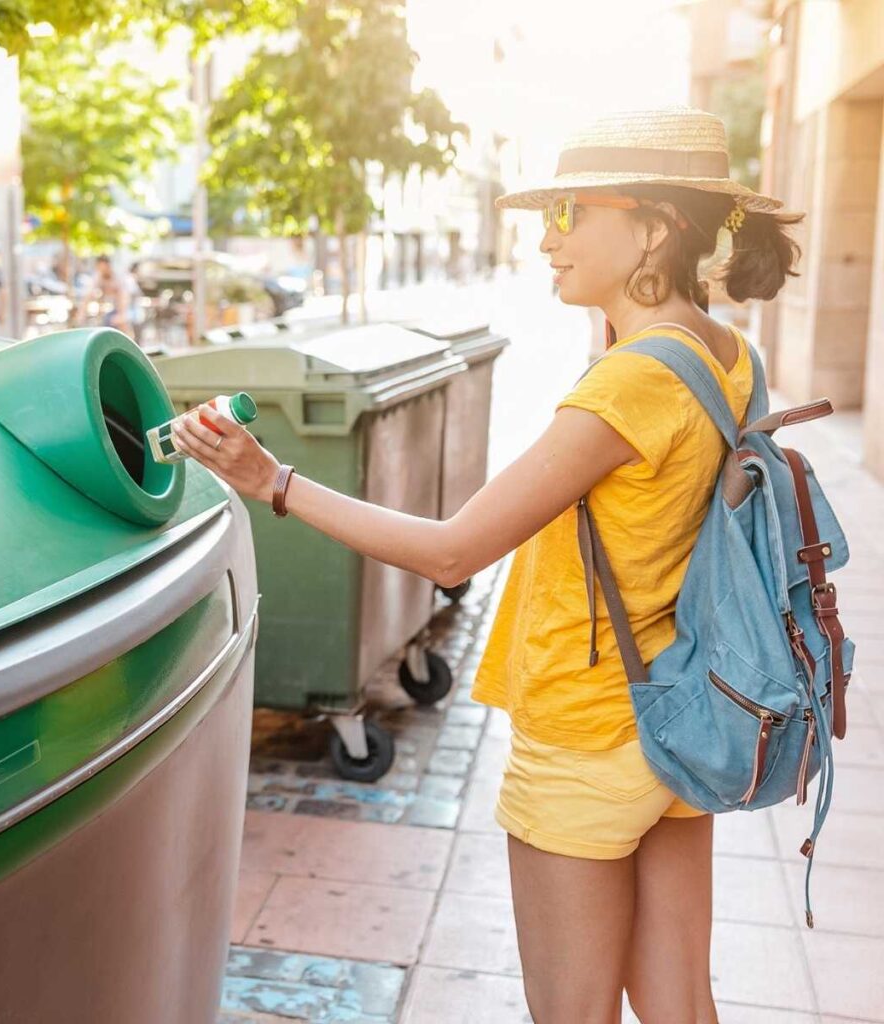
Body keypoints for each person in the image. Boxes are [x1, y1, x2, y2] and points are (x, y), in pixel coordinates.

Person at [169, 107, 803, 1023]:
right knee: (682, 1008)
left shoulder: (631, 381)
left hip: (586, 732)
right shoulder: (727, 353)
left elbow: (454, 549)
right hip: (678, 713)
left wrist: (273, 481)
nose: (548, 240)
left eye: (570, 213)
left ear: (656, 228)